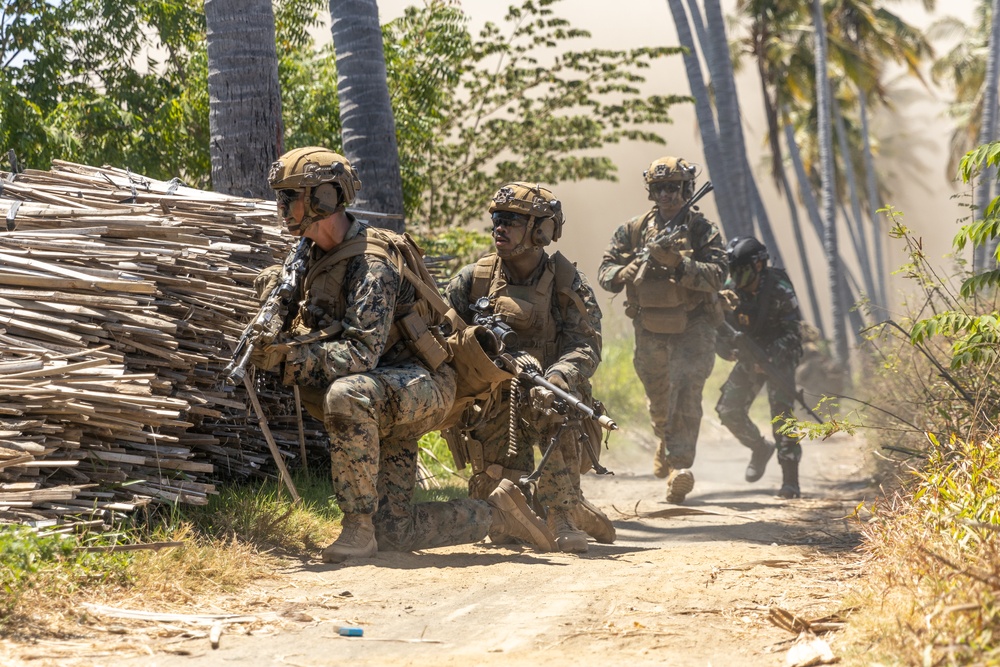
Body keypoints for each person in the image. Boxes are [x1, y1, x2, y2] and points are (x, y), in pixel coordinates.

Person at [251, 147, 556, 563]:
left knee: (347, 393)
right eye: (280, 197)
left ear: (324, 198)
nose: (282, 207)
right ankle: (499, 514)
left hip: (422, 385)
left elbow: (360, 353)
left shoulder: (371, 263)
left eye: (291, 196)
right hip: (387, 391)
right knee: (395, 531)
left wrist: (287, 360)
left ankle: (356, 527)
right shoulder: (306, 254)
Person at [444, 181, 616, 553]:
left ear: (542, 231)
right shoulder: (474, 279)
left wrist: (558, 375)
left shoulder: (567, 281)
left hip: (544, 393)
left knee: (557, 401)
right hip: (492, 399)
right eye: (497, 219)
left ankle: (564, 513)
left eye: (512, 220)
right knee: (504, 533)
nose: (499, 228)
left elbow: (587, 344)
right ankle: (523, 503)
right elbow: (439, 335)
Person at [597, 157, 727, 504]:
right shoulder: (634, 230)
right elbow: (605, 273)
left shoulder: (702, 230)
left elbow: (719, 274)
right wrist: (627, 271)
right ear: (651, 192)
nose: (666, 195)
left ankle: (679, 467)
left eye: (673, 187)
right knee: (659, 398)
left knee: (687, 392)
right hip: (650, 325)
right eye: (659, 188)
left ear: (686, 190)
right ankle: (665, 441)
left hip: (694, 323)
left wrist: (679, 264)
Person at [714, 236, 805, 499]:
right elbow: (720, 329)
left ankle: (790, 480)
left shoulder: (779, 288)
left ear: (757, 266)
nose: (735, 276)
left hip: (779, 357)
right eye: (733, 269)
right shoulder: (731, 291)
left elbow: (793, 334)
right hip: (749, 356)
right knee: (728, 409)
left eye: (740, 268)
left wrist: (770, 359)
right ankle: (759, 448)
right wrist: (728, 351)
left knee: (782, 415)